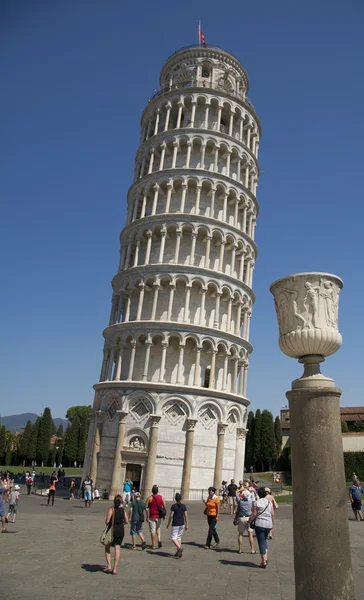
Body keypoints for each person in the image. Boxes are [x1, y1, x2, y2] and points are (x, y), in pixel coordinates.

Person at [104, 494, 129, 575]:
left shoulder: (111, 509)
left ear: (114, 502)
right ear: (121, 502)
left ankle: (109, 566)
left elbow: (107, 521)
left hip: (112, 530)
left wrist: (111, 522)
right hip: (121, 530)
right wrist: (121, 523)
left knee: (107, 547)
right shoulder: (123, 510)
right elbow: (127, 521)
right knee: (117, 549)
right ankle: (114, 569)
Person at [249, 486, 273, 568]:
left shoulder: (257, 502)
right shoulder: (270, 503)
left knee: (261, 542)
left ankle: (263, 562)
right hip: (268, 524)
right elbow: (271, 513)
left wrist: (249, 521)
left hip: (260, 523)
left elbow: (254, 514)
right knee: (264, 541)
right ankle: (265, 558)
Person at [167, 493, 188, 558]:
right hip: (182, 523)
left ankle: (179, 548)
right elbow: (186, 515)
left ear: (175, 499)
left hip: (175, 523)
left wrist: (168, 523)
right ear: (181, 499)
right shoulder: (184, 506)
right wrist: (187, 524)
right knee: (178, 537)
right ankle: (178, 552)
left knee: (173, 537)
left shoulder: (174, 506)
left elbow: (171, 516)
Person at [146, 484, 166, 550]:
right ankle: (159, 540)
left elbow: (146, 507)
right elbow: (164, 506)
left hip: (152, 516)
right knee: (158, 528)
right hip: (159, 516)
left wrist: (147, 516)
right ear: (157, 491)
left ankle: (153, 545)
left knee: (153, 530)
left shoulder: (149, 498)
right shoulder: (161, 497)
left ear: (152, 491)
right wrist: (164, 515)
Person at [235, 490, 256, 554]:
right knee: (250, 534)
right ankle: (252, 549)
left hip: (241, 518)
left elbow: (236, 493)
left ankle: (240, 549)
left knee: (240, 533)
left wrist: (241, 490)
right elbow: (254, 497)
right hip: (248, 518)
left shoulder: (240, 501)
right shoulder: (250, 501)